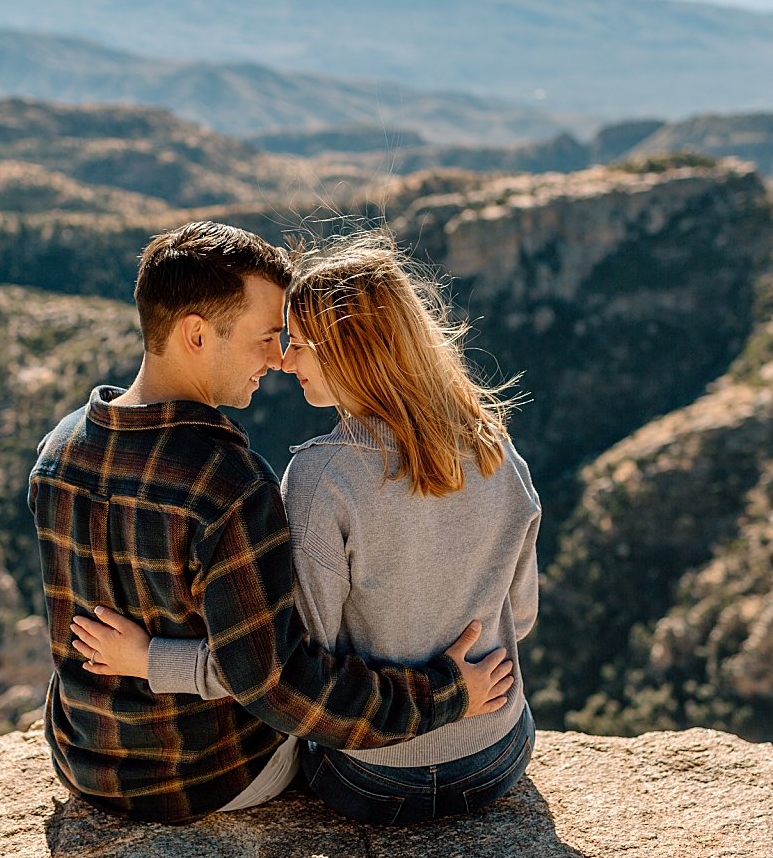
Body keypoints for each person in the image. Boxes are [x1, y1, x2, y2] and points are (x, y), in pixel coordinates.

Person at [28, 221, 515, 824]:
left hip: (84, 760)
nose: (279, 359)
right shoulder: (228, 484)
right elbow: (279, 685)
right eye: (266, 336)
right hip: (215, 776)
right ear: (197, 335)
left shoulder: (56, 452)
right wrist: (445, 694)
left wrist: (143, 659)